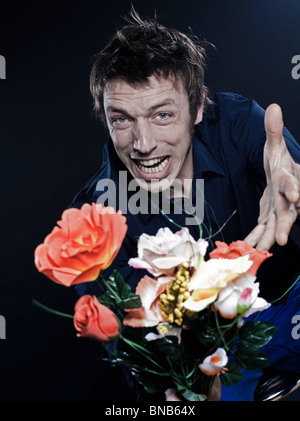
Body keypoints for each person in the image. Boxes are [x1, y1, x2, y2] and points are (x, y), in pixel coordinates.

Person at [70, 9, 300, 401]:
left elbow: (288, 182)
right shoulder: (92, 223)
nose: (142, 144)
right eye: (122, 119)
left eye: (162, 115)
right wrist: (176, 387)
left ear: (197, 108)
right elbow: (135, 349)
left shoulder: (238, 121)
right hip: (215, 363)